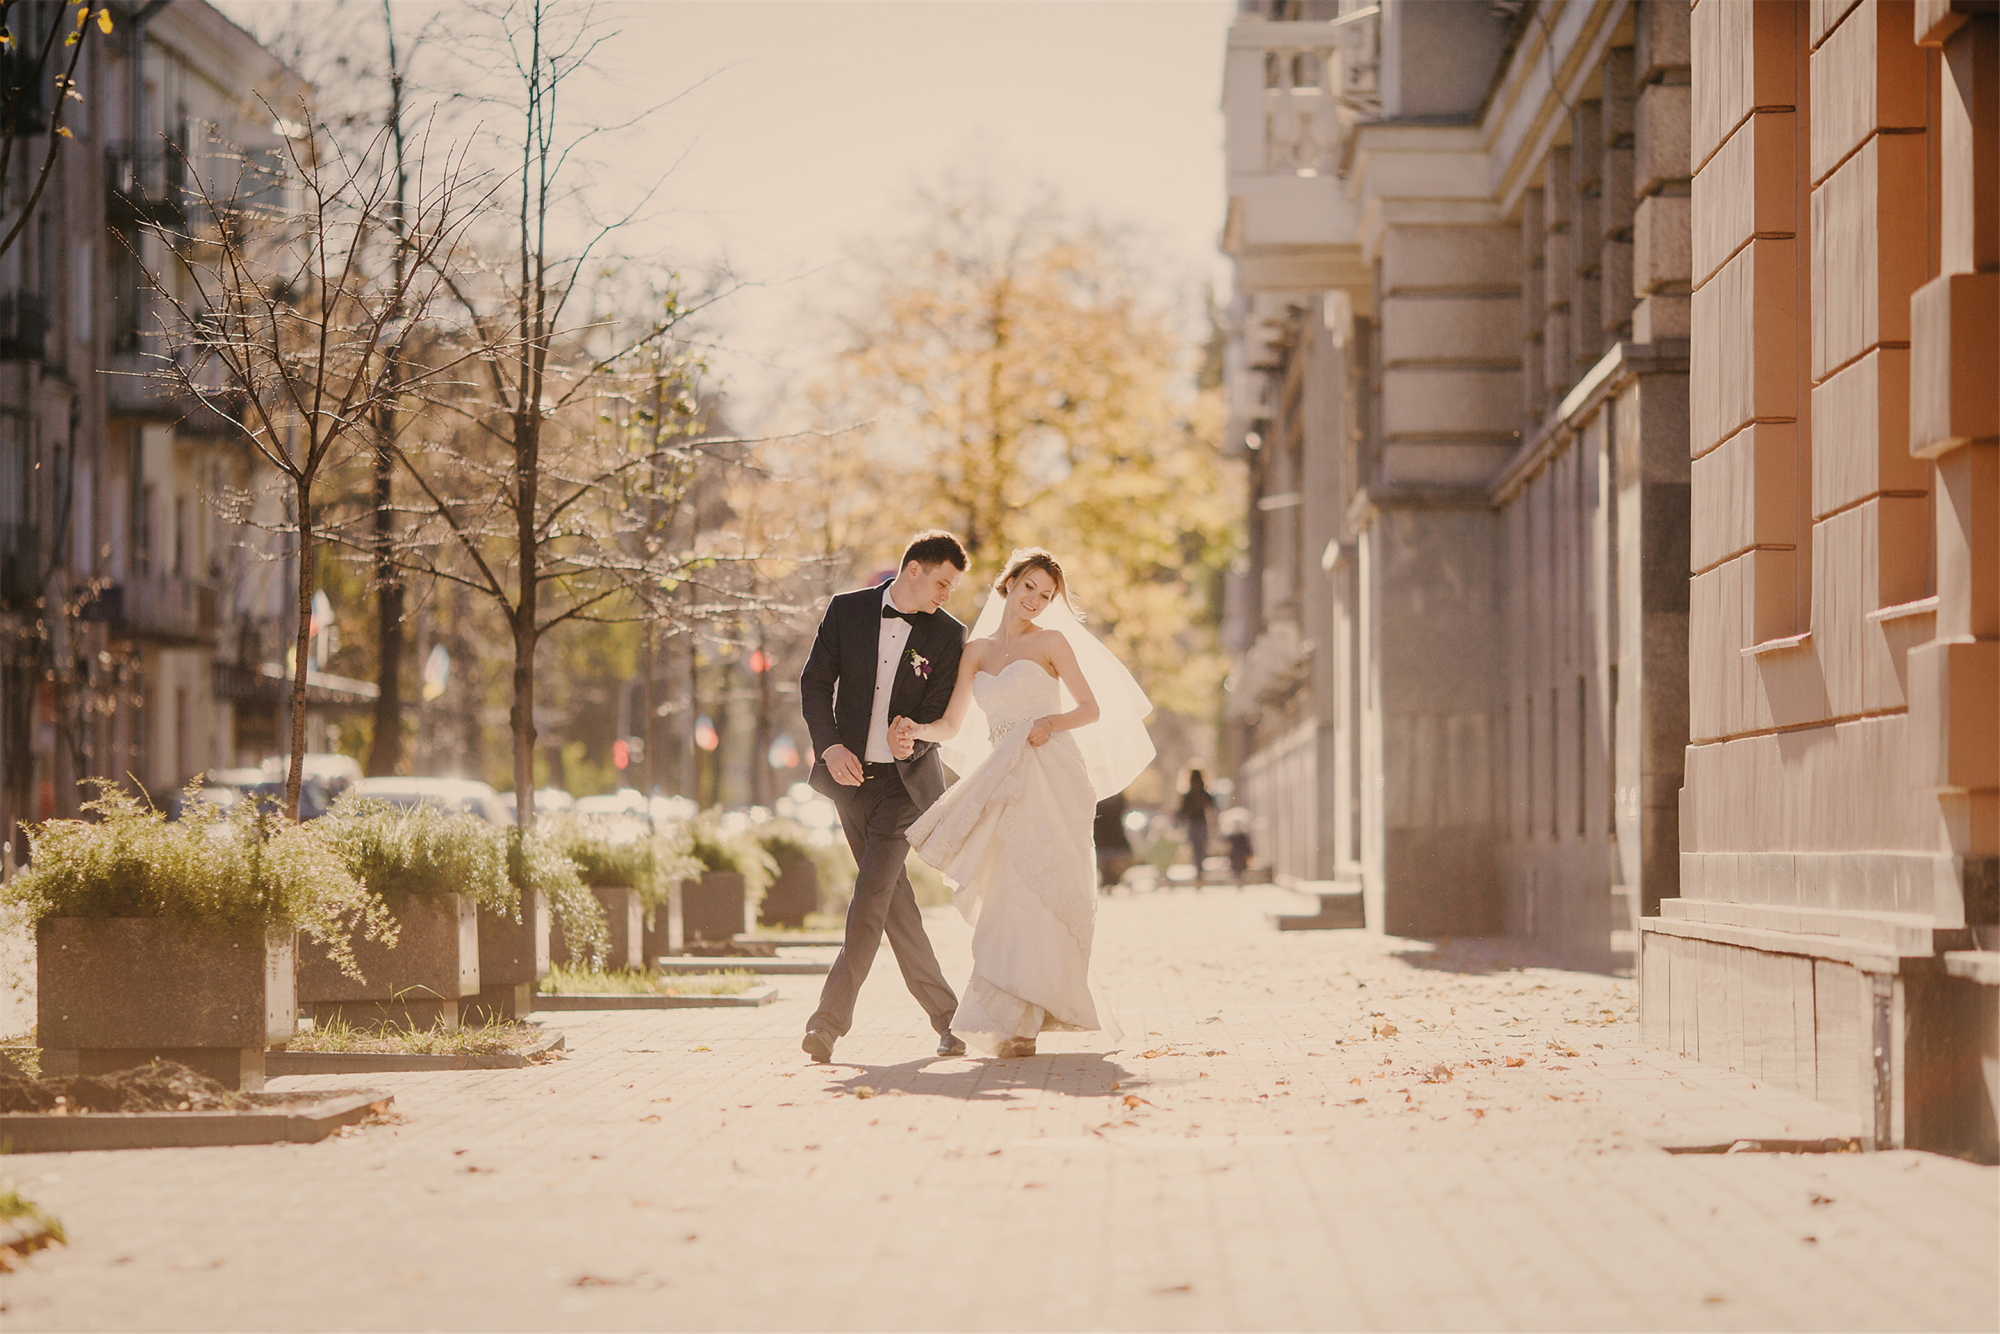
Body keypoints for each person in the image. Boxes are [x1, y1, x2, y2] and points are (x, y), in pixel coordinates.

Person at [899, 548, 1154, 1058]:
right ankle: (1011, 1015)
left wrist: (1046, 724)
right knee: (1005, 895)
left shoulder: (1052, 643)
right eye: (1028, 587)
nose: (1035, 600)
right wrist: (916, 729)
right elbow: (952, 724)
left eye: (1045, 594)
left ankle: (1029, 1024)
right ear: (1008, 584)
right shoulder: (976, 652)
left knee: (1045, 887)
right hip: (1002, 777)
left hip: (1052, 774)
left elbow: (1089, 708)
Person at [797, 530, 971, 1065]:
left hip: (903, 788)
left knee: (870, 900)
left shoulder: (948, 635)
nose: (947, 594)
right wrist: (828, 748)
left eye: (953, 587)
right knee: (894, 907)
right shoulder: (846, 611)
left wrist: (913, 733)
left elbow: (941, 714)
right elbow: (813, 682)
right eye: (942, 582)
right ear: (913, 569)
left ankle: (826, 1024)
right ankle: (949, 1020)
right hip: (848, 782)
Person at [1177, 766, 1215, 885]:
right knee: (1197, 849)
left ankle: (1199, 870)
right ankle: (1199, 871)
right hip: (1194, 825)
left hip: (1199, 824)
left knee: (1200, 849)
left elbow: (1211, 806)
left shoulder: (1201, 794)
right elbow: (1183, 812)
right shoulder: (1190, 795)